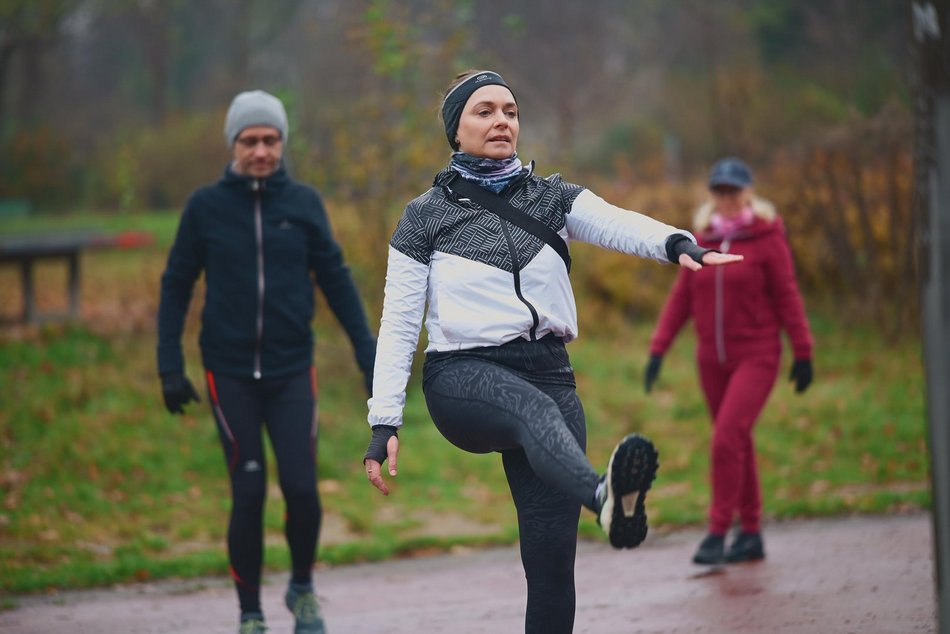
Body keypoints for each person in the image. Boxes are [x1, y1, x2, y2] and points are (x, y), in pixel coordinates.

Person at [361, 69, 742, 634]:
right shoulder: (426, 216)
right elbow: (398, 322)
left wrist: (676, 242)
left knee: (551, 565)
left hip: (549, 372)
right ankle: (604, 497)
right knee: (532, 413)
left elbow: (617, 223)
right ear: (456, 130)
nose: (501, 121)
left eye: (510, 111)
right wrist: (384, 419)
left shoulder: (552, 197)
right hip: (463, 377)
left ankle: (603, 500)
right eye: (484, 111)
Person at [157, 89, 376, 634]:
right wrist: (169, 364)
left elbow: (337, 279)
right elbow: (176, 283)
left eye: (270, 140)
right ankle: (250, 613)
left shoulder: (302, 203)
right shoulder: (205, 208)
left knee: (302, 487)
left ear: (283, 143)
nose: (260, 151)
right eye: (250, 141)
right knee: (249, 488)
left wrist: (369, 352)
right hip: (228, 370)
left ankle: (301, 587)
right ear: (233, 144)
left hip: (290, 369)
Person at [644, 157, 814, 566]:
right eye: (719, 191)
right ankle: (751, 531)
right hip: (710, 360)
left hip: (756, 354)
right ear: (711, 195)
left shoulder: (767, 238)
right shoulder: (699, 239)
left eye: (734, 190)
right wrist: (658, 349)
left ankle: (719, 531)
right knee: (736, 440)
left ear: (748, 192)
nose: (727, 198)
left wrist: (803, 350)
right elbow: (682, 298)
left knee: (725, 439)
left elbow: (787, 295)